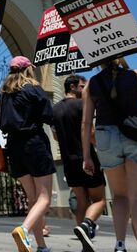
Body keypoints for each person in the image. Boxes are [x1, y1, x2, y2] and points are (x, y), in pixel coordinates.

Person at [82, 58, 137, 252]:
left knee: (119, 196)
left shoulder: (91, 83)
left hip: (106, 136)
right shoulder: (136, 76)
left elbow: (86, 123)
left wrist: (87, 155)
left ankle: (120, 244)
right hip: (136, 133)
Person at [0, 56, 55, 252]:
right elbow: (48, 114)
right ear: (28, 69)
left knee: (33, 199)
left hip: (14, 146)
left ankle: (41, 246)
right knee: (44, 198)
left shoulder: (3, 94)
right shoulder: (33, 88)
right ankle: (24, 230)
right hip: (34, 142)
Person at [51, 74, 106, 252]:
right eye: (82, 86)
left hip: (68, 162)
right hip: (87, 157)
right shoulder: (84, 105)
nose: (85, 90)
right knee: (99, 200)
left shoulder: (55, 109)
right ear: (73, 87)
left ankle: (85, 242)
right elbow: (90, 134)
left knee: (81, 201)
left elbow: (55, 136)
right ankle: (87, 225)